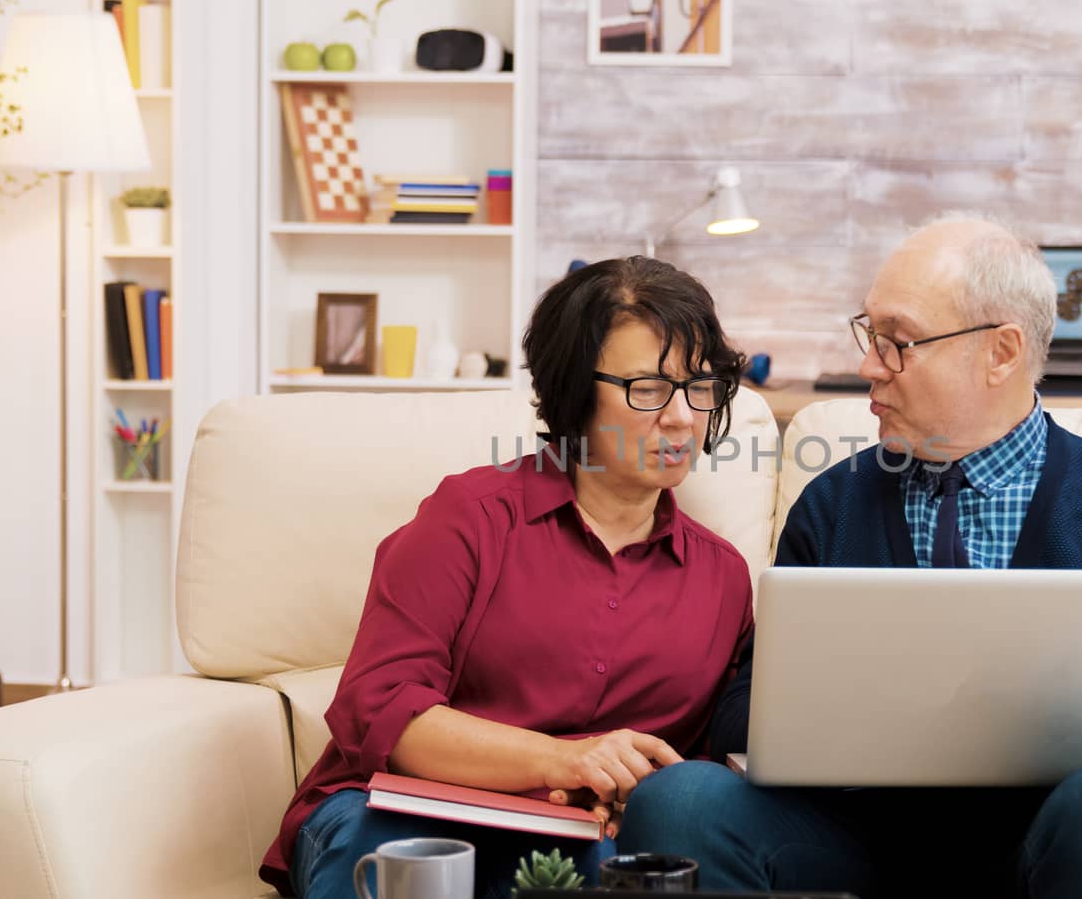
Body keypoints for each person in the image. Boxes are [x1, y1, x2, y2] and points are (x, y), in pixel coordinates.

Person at [616, 215, 1082, 899]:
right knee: (680, 802)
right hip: (850, 839)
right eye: (870, 336)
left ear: (1001, 353)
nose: (868, 366)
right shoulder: (832, 505)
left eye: (898, 343)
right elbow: (740, 712)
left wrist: (1015, 700)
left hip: (1050, 836)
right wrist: (867, 702)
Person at [259, 256, 755, 899]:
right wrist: (563, 758)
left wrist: (628, 799)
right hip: (401, 814)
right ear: (576, 391)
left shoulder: (722, 577)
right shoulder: (470, 519)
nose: (682, 418)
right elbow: (381, 712)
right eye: (649, 389)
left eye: (699, 386)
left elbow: (700, 776)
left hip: (577, 842)